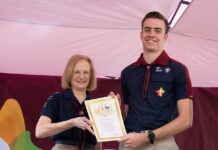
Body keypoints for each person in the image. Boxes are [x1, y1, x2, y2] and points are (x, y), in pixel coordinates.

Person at [111, 11, 193, 150]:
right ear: (141, 34)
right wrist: (115, 109)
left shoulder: (178, 70)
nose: (151, 34)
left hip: (162, 143)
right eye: (147, 30)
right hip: (130, 141)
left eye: (157, 30)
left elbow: (186, 120)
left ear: (165, 37)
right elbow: (127, 113)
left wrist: (147, 137)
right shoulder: (127, 72)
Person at [35, 54, 102, 150]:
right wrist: (72, 123)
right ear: (69, 74)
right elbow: (39, 131)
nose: (82, 76)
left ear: (91, 76)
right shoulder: (56, 99)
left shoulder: (96, 105)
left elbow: (97, 142)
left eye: (86, 72)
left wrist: (114, 108)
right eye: (77, 72)